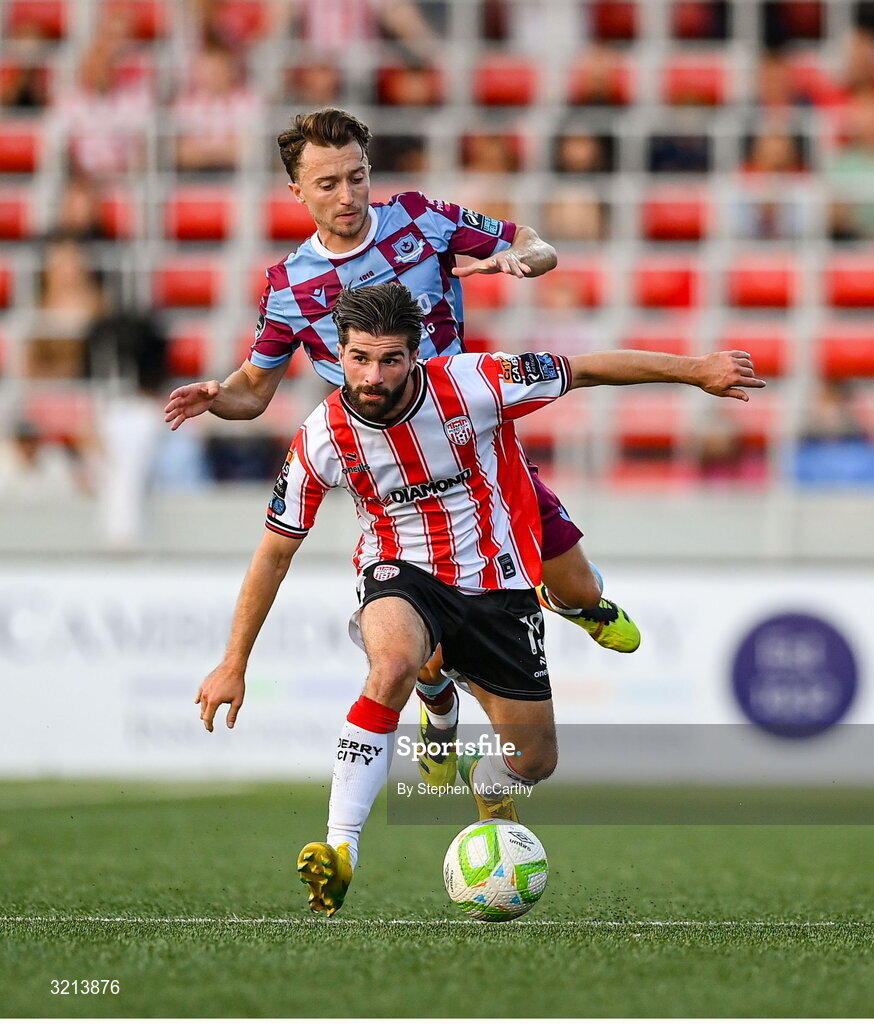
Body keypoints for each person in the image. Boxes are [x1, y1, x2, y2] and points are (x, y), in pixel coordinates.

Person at [194, 281, 765, 915]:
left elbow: (586, 368)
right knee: (392, 664)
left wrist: (698, 371)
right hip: (400, 574)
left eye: (389, 359)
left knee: (535, 760)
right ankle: (341, 848)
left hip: (499, 587)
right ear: (340, 352)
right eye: (359, 358)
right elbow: (275, 552)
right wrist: (233, 662)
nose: (373, 376)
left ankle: (471, 745)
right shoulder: (321, 436)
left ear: (416, 354)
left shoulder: (474, 382)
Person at [164, 106, 639, 784]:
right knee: (418, 623)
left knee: (574, 582)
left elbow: (538, 244)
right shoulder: (290, 286)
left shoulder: (420, 220)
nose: (348, 196)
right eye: (327, 184)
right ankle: (436, 698)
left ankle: (580, 608)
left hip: (476, 445)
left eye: (356, 177)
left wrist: (518, 261)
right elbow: (254, 391)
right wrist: (219, 397)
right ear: (296, 192)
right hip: (393, 476)